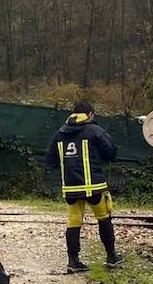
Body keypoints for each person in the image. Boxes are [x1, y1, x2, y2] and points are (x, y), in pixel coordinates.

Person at [45, 100, 122, 273]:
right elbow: (111, 152)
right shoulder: (94, 130)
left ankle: (73, 261)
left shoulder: (59, 134)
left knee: (73, 222)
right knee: (104, 218)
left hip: (71, 189)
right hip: (94, 187)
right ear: (90, 115)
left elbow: (50, 160)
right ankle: (111, 257)